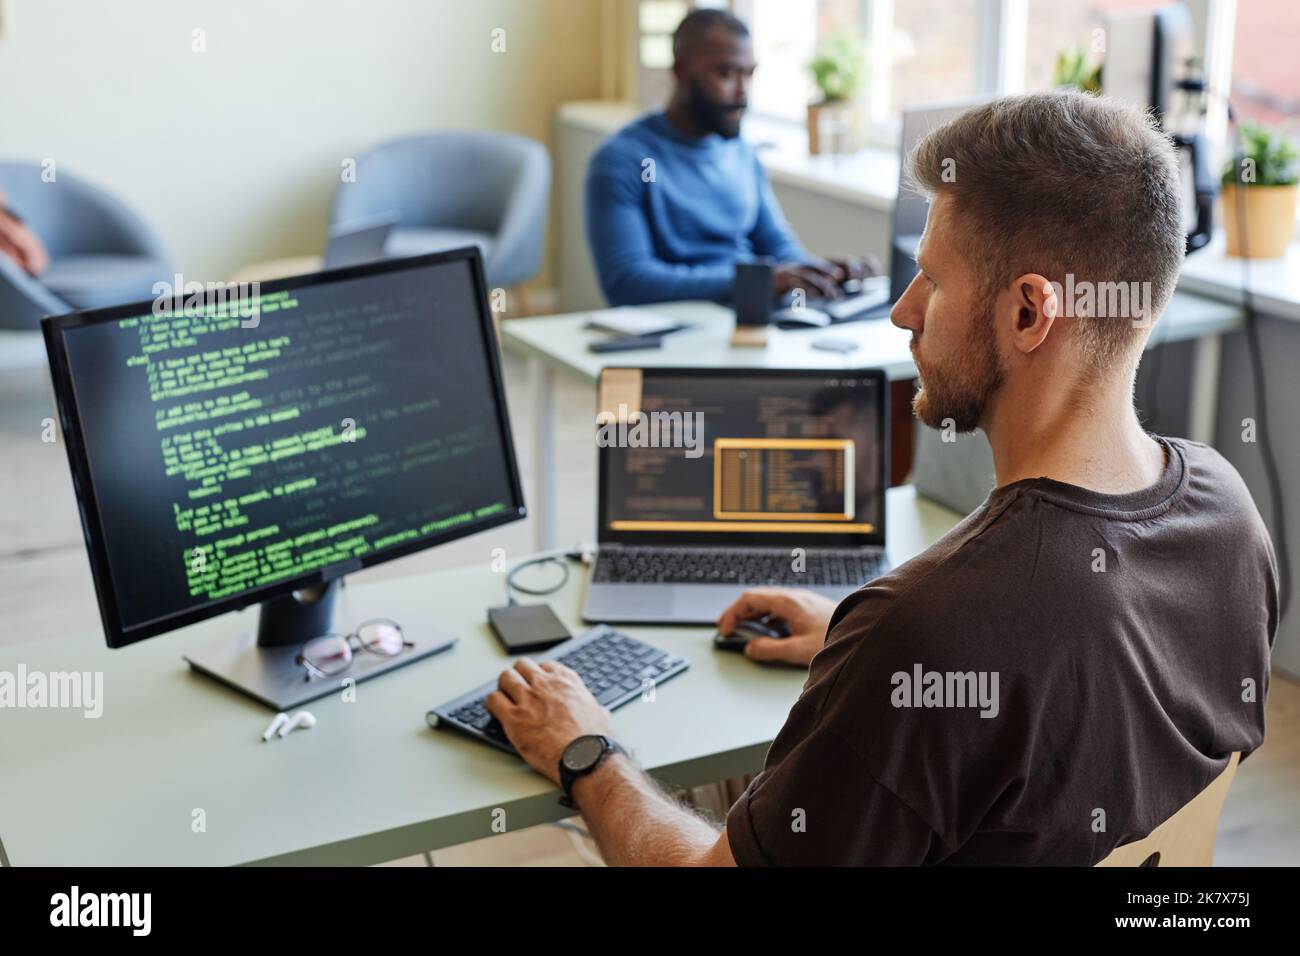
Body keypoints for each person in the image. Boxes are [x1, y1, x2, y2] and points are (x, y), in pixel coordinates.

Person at [487, 89, 1277, 865]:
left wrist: (586, 749)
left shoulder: (927, 624)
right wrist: (856, 642)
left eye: (931, 279)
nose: (903, 310)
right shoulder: (1228, 512)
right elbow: (1071, 690)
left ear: (1030, 313)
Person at [584, 9, 874, 307]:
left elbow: (779, 248)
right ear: (681, 71)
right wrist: (756, 282)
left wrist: (821, 272)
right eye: (726, 73)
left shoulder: (743, 154)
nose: (742, 92)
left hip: (748, 316)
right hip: (679, 327)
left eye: (749, 74)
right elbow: (627, 282)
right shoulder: (623, 160)